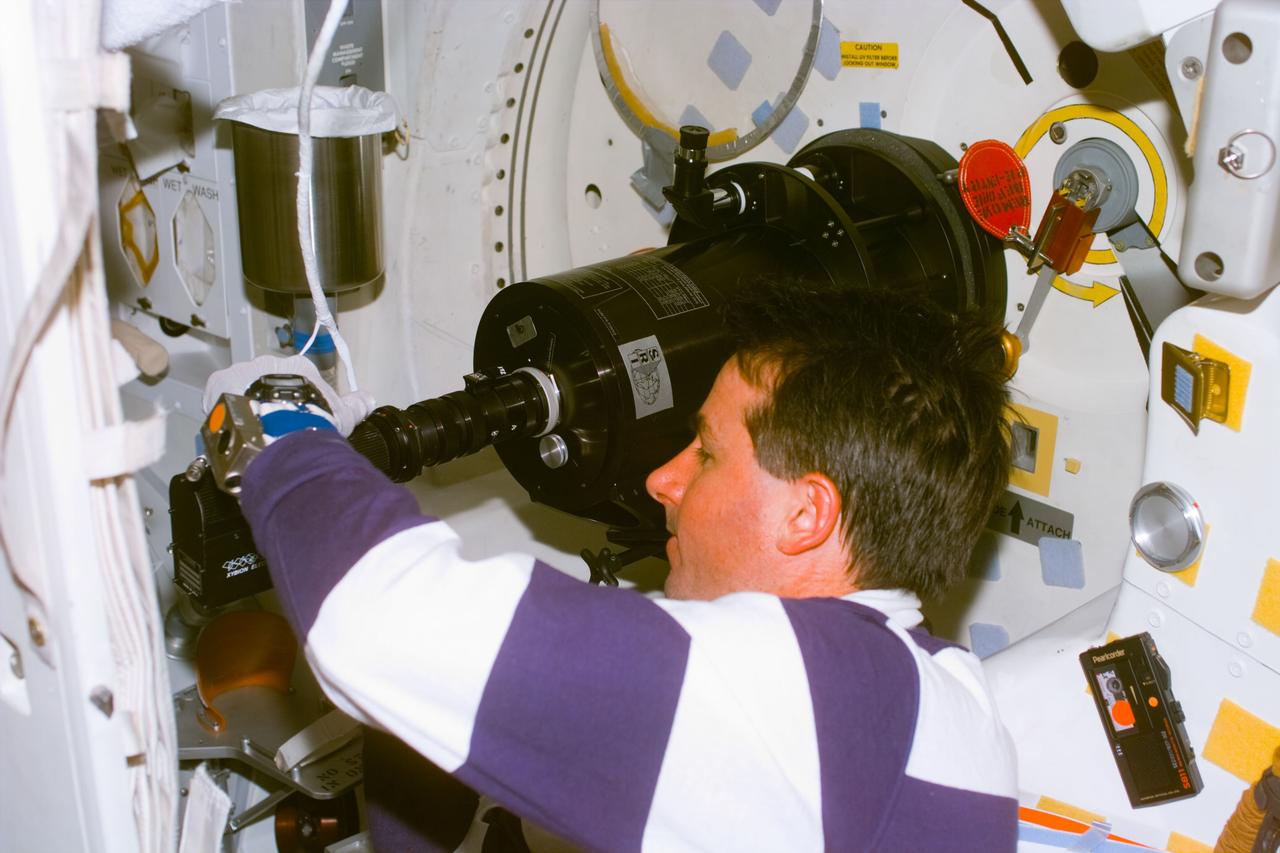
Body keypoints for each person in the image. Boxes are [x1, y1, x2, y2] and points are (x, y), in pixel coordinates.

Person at [224, 281, 1019, 851]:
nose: (662, 480)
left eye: (706, 452)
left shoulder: (807, 689)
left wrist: (282, 437)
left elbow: (377, 623)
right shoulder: (945, 701)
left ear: (807, 514)